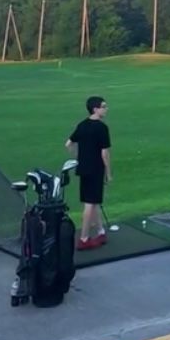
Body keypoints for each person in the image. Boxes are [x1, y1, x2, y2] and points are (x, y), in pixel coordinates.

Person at [65, 96, 112, 250]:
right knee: (90, 204)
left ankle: (100, 231)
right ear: (95, 109)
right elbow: (104, 154)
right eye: (103, 106)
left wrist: (79, 156)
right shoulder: (102, 128)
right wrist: (108, 173)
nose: (106, 109)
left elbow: (69, 143)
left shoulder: (82, 126)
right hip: (96, 169)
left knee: (94, 200)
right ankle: (84, 238)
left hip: (84, 168)